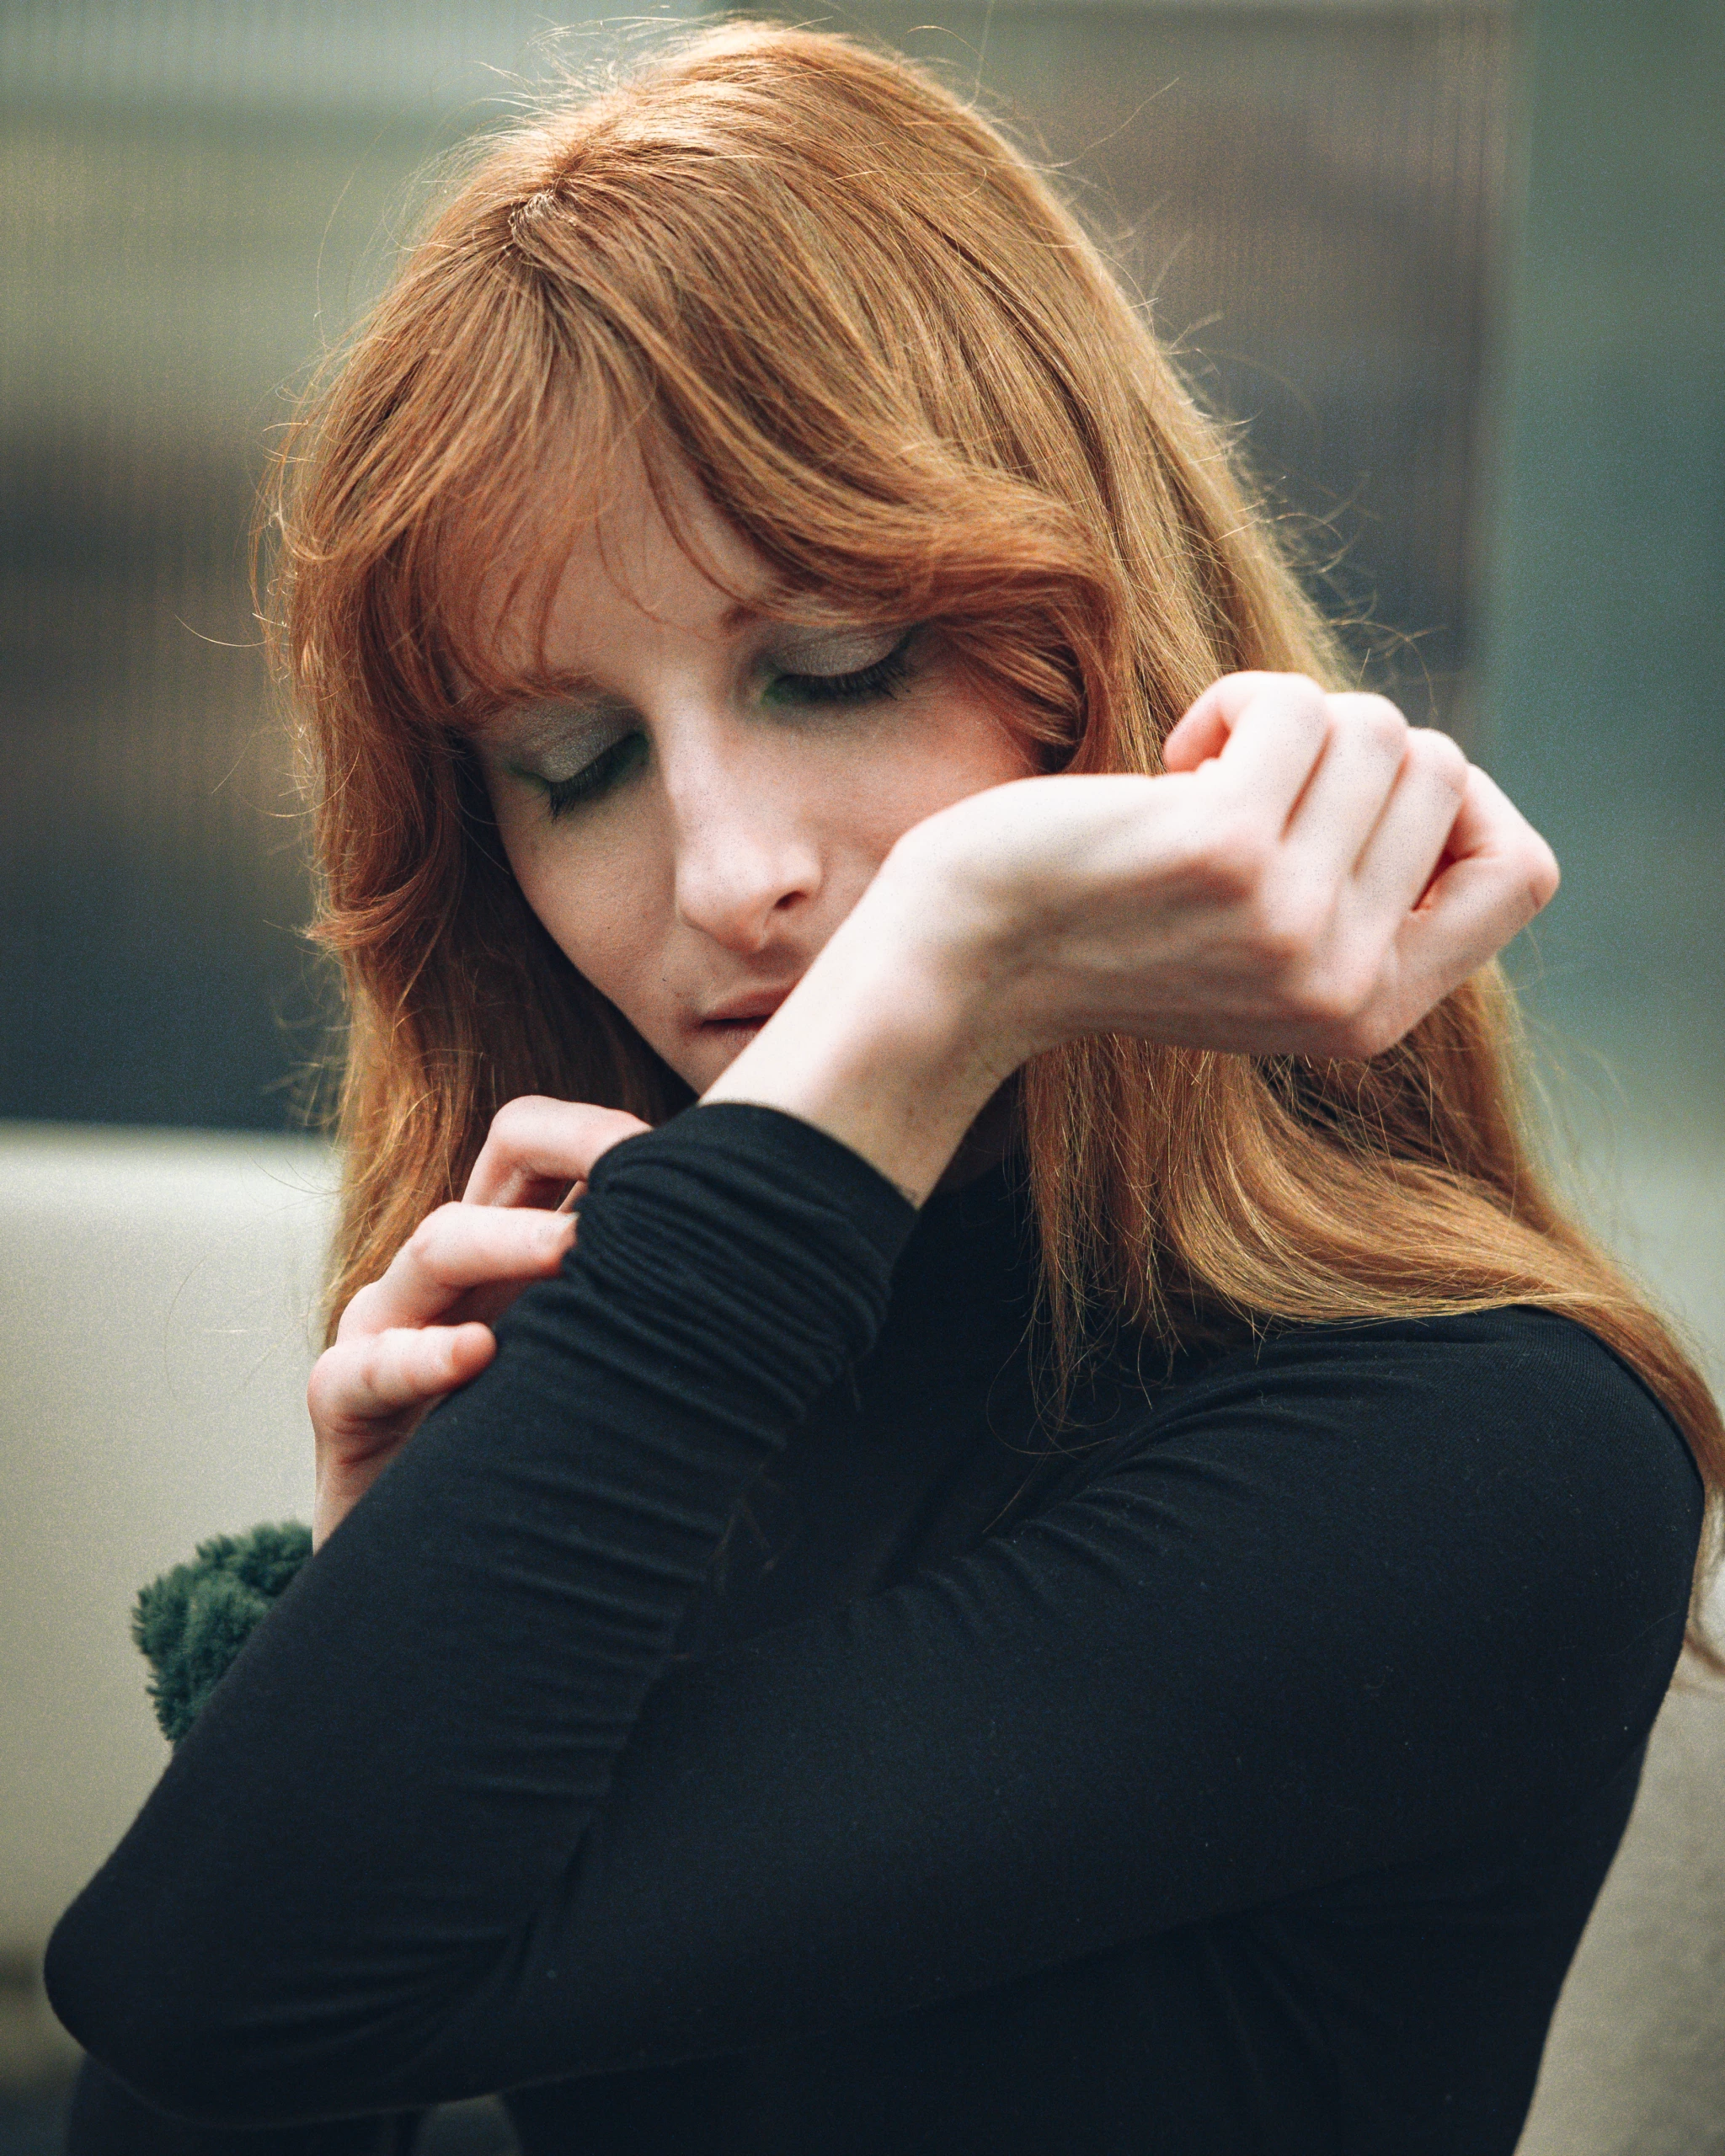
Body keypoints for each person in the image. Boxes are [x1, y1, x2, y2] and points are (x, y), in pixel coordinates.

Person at [45, 23, 1720, 2154]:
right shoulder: (651, 1381)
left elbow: (231, 1990)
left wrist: (938, 972)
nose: (732, 869)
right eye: (573, 767)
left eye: (832, 668)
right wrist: (401, 1607)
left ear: (1101, 640)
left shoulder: (1486, 1442)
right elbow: (207, 2037)